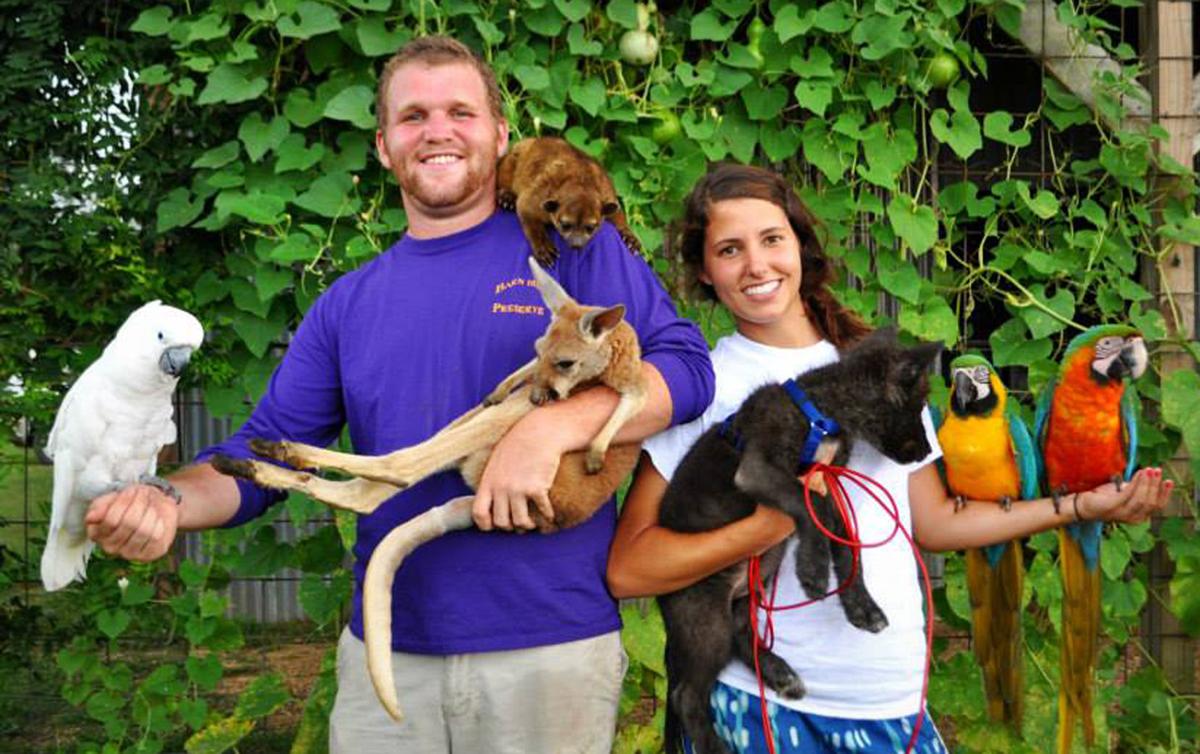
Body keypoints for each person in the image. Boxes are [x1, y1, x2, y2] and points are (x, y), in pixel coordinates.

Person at [83, 36, 715, 754]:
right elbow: (258, 456)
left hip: (549, 652)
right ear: (385, 146)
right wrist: (163, 501)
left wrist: (551, 430)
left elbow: (687, 369)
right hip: (389, 652)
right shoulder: (349, 303)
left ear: (501, 136)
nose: (437, 130)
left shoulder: (572, 248)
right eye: (413, 116)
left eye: (460, 112)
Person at [605, 162, 1173, 753]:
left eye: (772, 239)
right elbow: (630, 567)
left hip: (893, 700)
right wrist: (766, 527)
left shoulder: (883, 372)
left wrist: (1081, 506)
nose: (757, 264)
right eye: (729, 249)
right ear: (704, 270)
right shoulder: (703, 387)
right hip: (759, 708)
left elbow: (935, 522)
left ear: (800, 244)